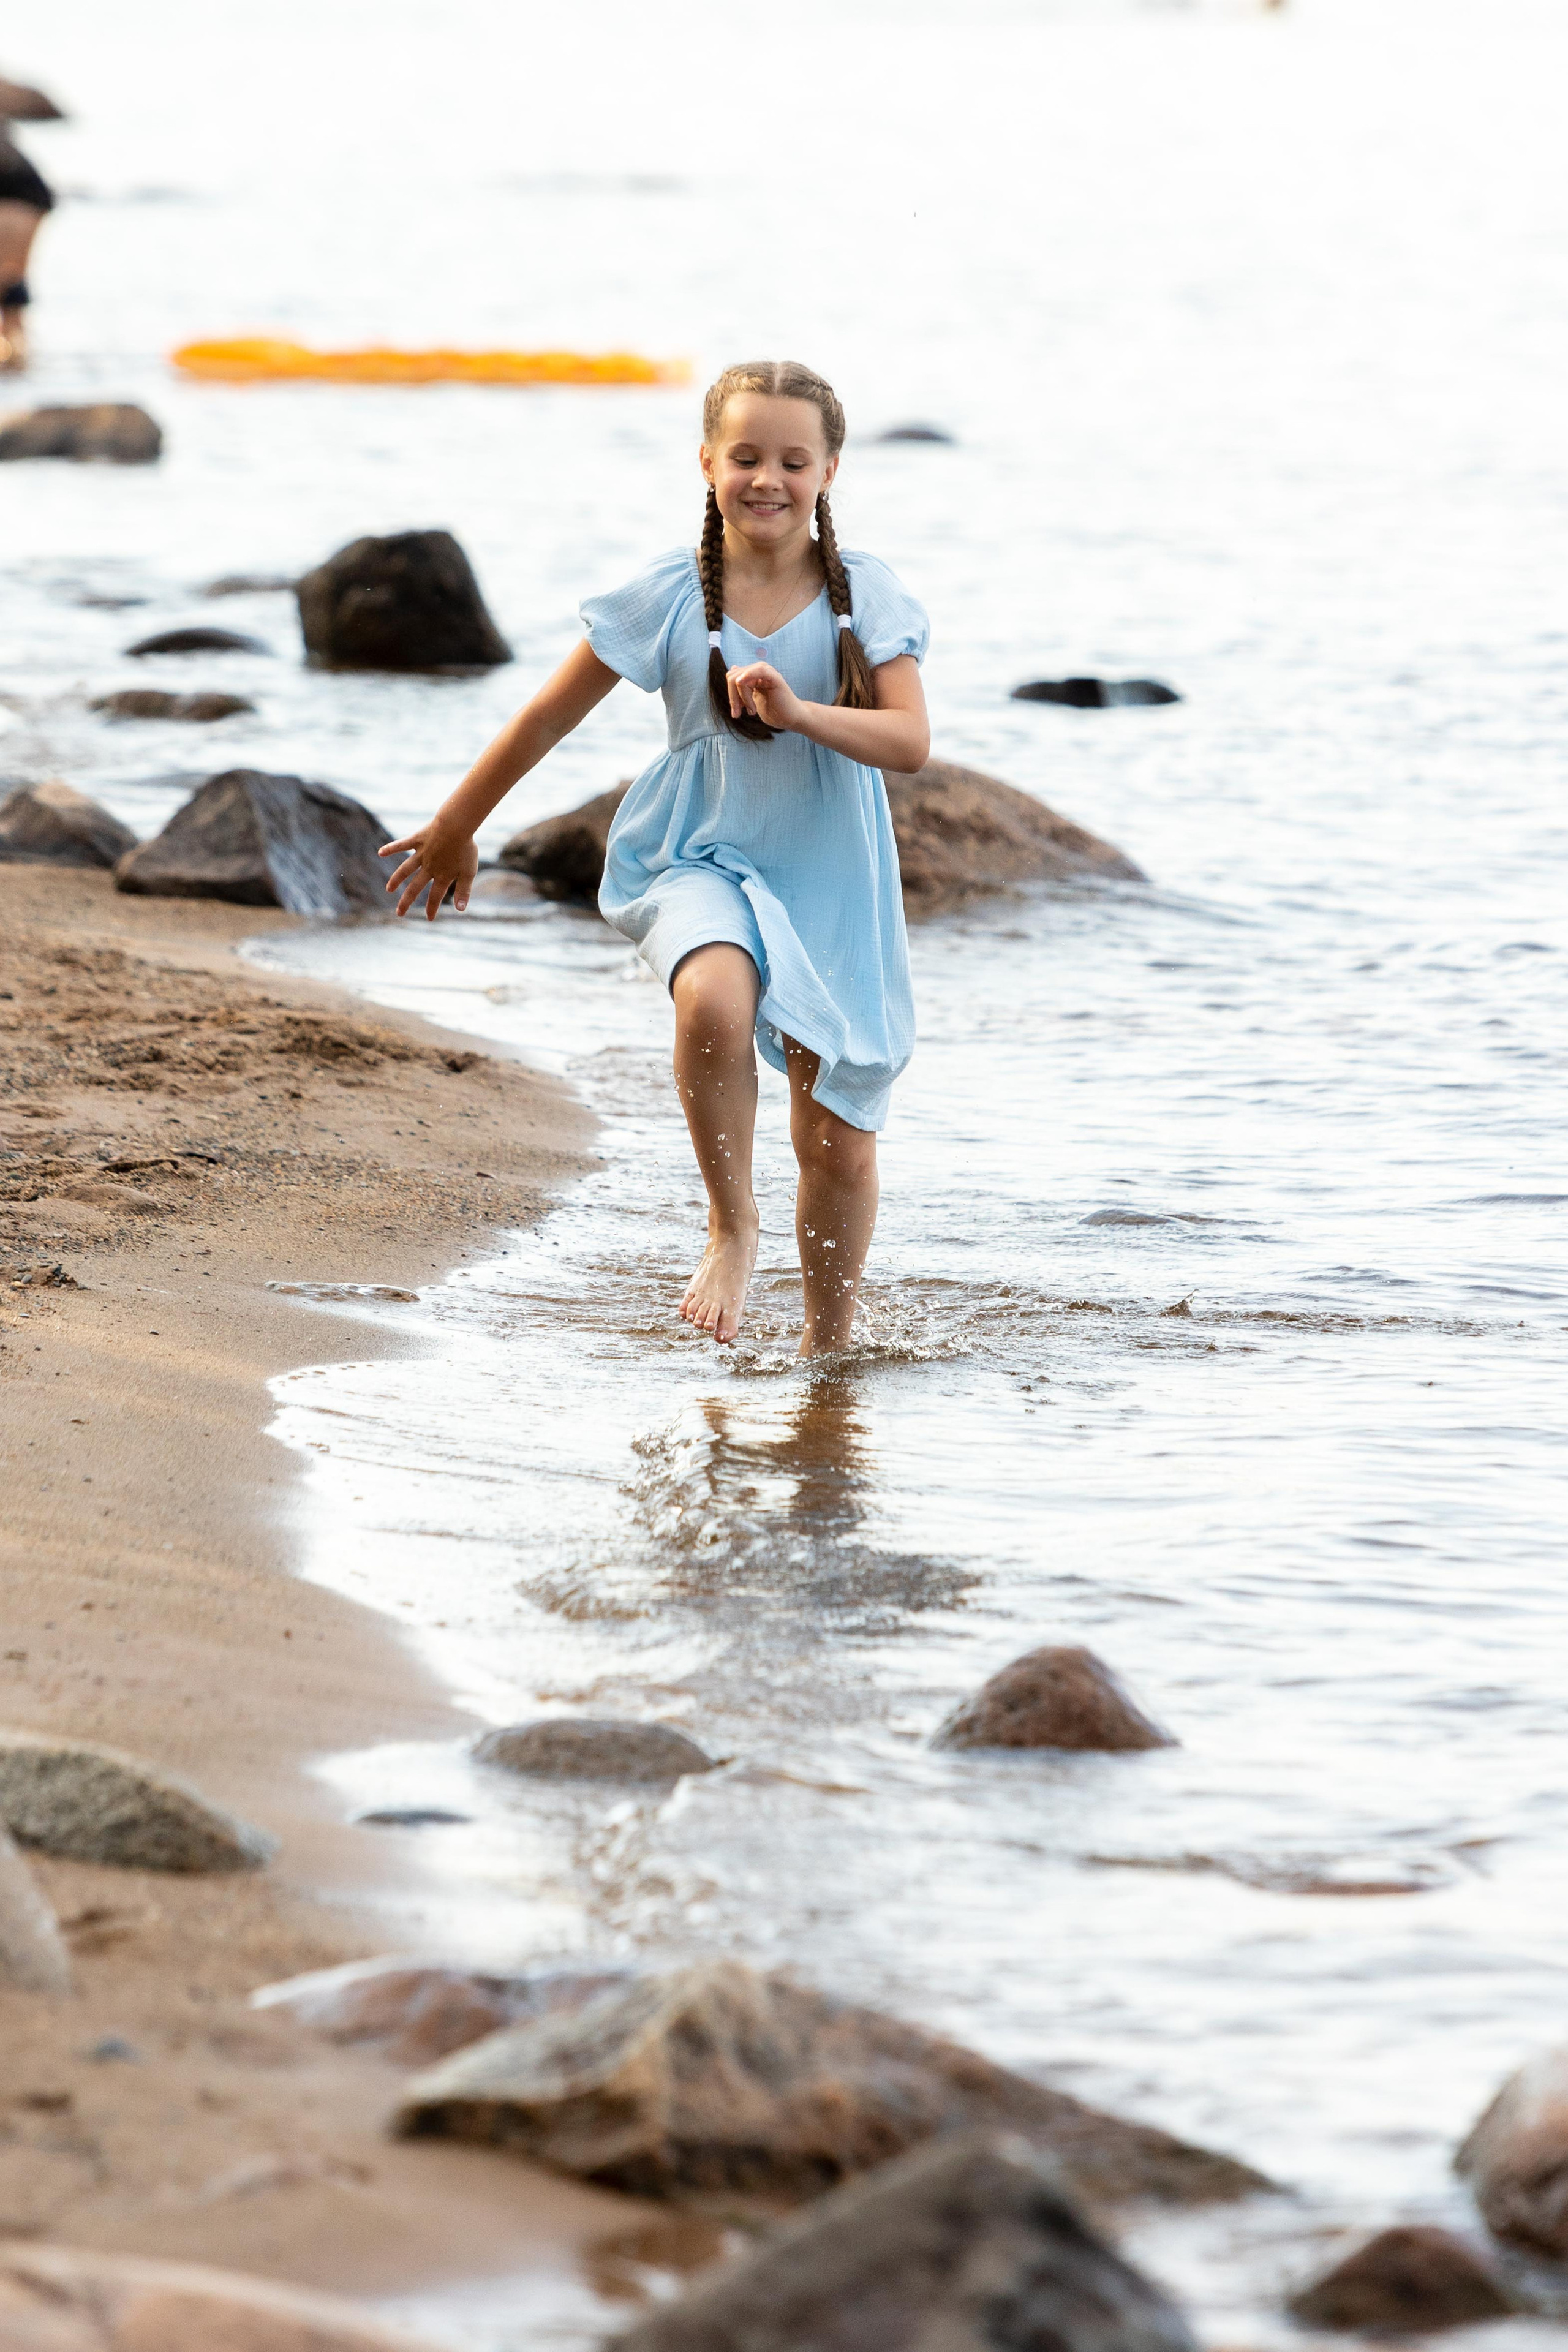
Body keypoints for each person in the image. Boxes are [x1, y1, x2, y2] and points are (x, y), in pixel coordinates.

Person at [382, 359, 930, 1359]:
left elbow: (911, 743)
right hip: (696, 847)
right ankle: (733, 1225)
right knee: (712, 1002)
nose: (769, 478)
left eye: (793, 460)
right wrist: (458, 824)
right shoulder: (670, 595)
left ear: (830, 470)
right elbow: (546, 715)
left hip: (831, 871)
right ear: (708, 461)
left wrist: (804, 713)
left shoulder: (865, 594)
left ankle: (828, 1351)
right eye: (747, 456)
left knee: (837, 1142)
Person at [0, 83, 58, 372]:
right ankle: (16, 355)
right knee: (11, 272)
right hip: (27, 195)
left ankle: (16, 355)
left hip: (20, 197)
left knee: (8, 273)